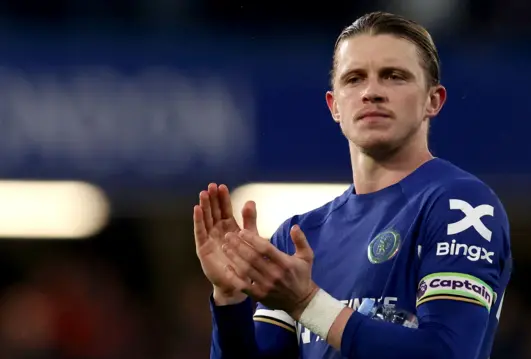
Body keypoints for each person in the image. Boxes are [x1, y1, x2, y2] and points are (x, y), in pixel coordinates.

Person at [193, 11, 512, 359]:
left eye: (394, 76)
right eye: (355, 79)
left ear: (432, 101)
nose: (372, 92)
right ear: (334, 106)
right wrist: (229, 299)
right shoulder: (298, 236)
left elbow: (447, 352)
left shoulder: (460, 204)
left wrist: (307, 303)